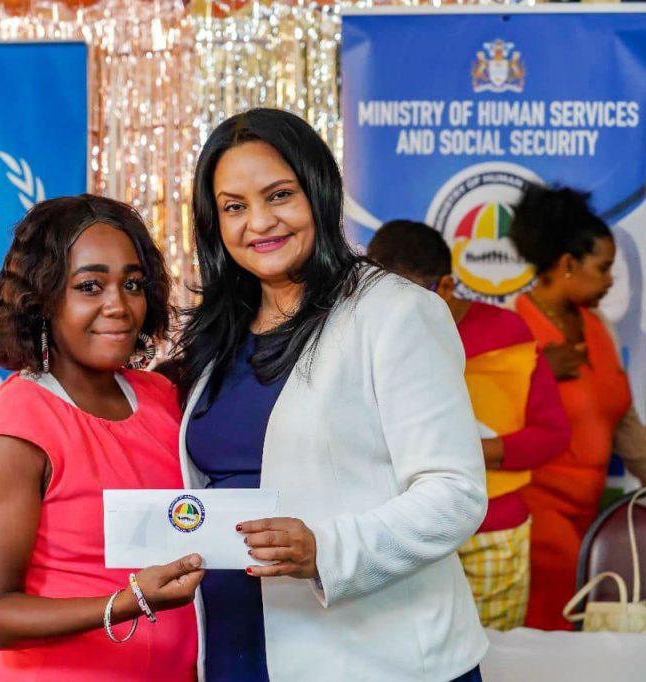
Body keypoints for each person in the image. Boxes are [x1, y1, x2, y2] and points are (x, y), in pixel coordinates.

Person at [173, 108, 488, 681]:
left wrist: (328, 549)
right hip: (236, 644)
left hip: (374, 656)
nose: (260, 222)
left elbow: (455, 493)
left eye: (279, 195)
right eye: (234, 207)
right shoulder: (215, 333)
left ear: (319, 192)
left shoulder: (394, 312)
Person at [0, 195, 202, 681]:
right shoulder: (15, 427)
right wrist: (127, 604)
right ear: (44, 299)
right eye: (90, 286)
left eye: (132, 284)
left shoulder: (161, 397)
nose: (118, 305)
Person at [367, 220, 570, 630]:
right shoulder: (366, 335)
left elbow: (551, 436)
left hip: (491, 529)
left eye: (405, 298)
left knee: (493, 658)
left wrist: (464, 451)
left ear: (444, 286)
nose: (390, 313)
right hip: (402, 529)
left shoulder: (506, 333)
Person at [509, 185, 646, 630]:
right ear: (568, 265)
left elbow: (626, 428)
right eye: (604, 267)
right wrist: (531, 371)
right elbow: (482, 428)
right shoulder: (513, 331)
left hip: (590, 518)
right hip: (536, 517)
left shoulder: (601, 328)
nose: (611, 280)